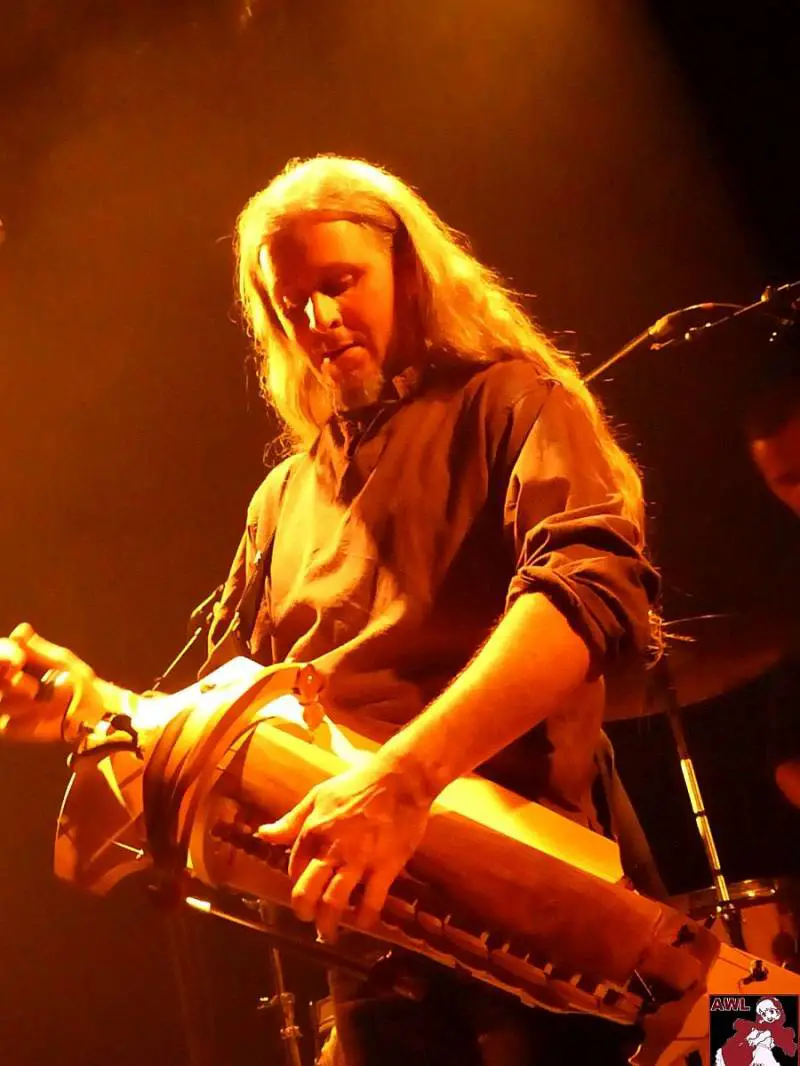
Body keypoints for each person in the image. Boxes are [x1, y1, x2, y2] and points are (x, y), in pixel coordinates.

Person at [0, 156, 660, 1065]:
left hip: (539, 902)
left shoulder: (512, 402)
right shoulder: (282, 498)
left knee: (756, 1030)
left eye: (339, 282)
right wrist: (96, 705)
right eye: (289, 304)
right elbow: (228, 716)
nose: (316, 320)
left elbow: (590, 592)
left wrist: (402, 782)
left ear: (409, 270)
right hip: (364, 934)